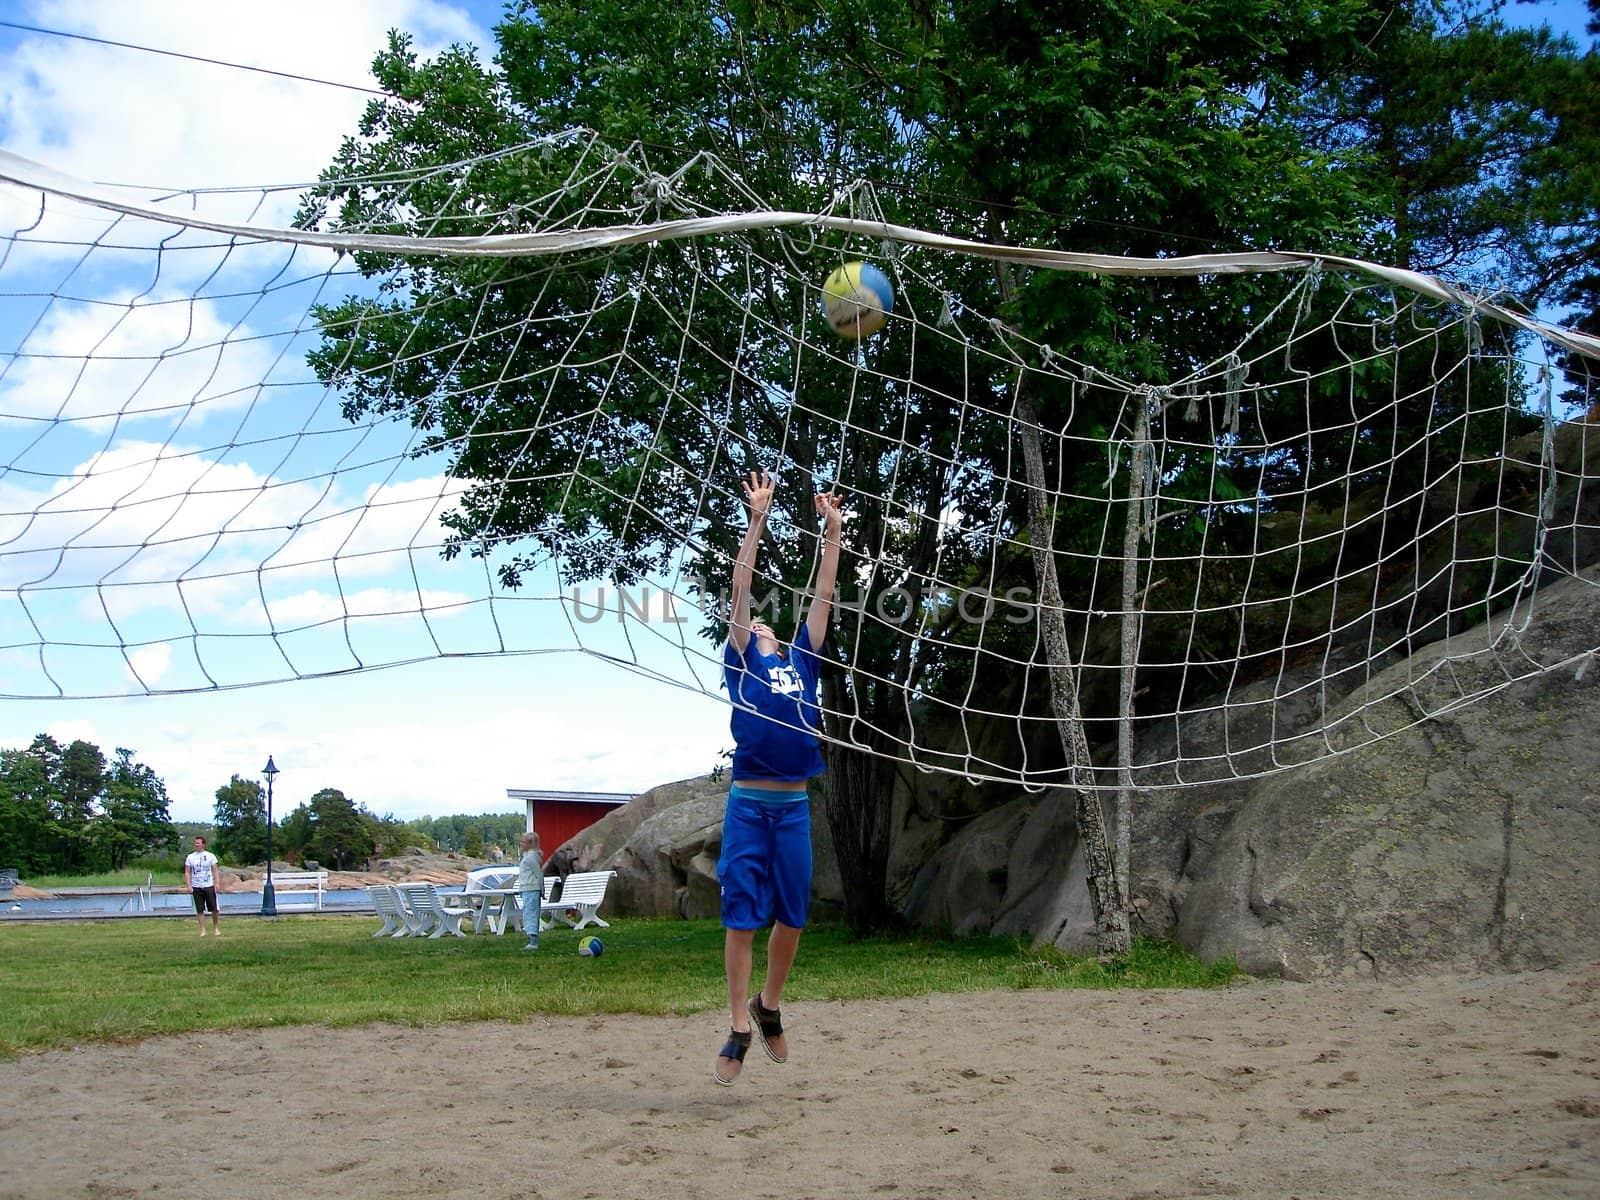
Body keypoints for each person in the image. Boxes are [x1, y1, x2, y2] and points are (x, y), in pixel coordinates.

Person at [713, 468, 843, 1086]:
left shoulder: (802, 660)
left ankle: (768, 1005)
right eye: (754, 626)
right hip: (748, 805)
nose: (761, 626)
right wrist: (757, 521)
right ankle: (738, 1022)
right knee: (742, 917)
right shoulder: (741, 662)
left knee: (792, 917)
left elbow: (823, 597)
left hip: (792, 808)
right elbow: (741, 591)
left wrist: (833, 533)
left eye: (768, 625)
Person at [184, 835, 222, 937]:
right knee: (200, 909)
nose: (196, 845)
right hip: (196, 886)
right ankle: (203, 930)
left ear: (203, 844)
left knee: (214, 908)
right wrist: (188, 885)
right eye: (195, 843)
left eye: (198, 843)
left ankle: (216, 928)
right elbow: (187, 872)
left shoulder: (210, 856)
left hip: (208, 885)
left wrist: (217, 883)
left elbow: (215, 870)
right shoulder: (190, 857)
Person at [516, 831, 543, 950]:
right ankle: (530, 939)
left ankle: (533, 942)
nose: (521, 844)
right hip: (527, 889)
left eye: (523, 842)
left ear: (530, 843)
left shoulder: (531, 857)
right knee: (527, 913)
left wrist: (542, 889)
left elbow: (539, 874)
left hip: (531, 889)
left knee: (531, 914)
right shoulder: (527, 856)